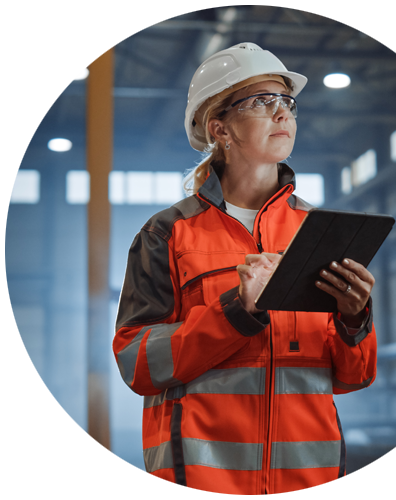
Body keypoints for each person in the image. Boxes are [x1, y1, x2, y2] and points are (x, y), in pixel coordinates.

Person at [112, 42, 377, 495]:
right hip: (203, 481)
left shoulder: (320, 232)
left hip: (308, 482)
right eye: (262, 101)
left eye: (287, 103)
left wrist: (356, 320)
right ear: (221, 129)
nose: (282, 114)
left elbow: (353, 376)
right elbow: (137, 362)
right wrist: (237, 311)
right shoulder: (168, 234)